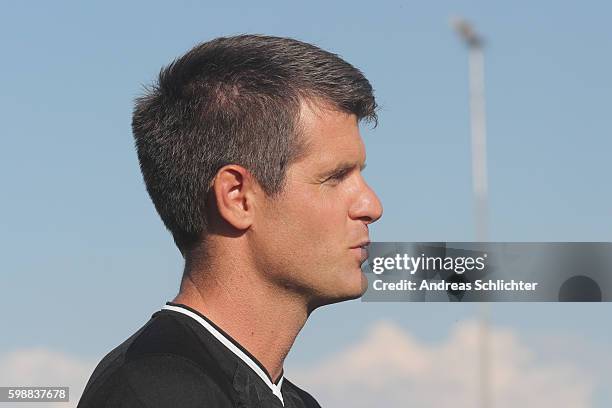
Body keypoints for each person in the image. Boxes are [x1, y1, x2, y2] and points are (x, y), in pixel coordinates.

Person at [78, 34, 383, 408]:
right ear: (237, 198)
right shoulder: (156, 391)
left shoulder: (291, 400)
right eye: (335, 177)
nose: (371, 205)